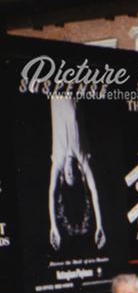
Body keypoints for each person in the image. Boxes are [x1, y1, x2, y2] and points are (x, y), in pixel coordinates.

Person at [48, 97, 105, 251]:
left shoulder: (58, 161)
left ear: (62, 176)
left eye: (68, 175)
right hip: (72, 94)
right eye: (73, 174)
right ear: (80, 175)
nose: (70, 171)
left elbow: (52, 193)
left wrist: (54, 226)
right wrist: (99, 224)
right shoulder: (83, 159)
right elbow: (94, 191)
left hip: (56, 96)